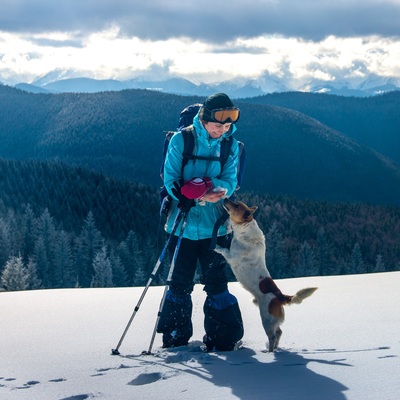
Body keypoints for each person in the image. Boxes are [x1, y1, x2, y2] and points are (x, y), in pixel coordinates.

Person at [157, 93, 244, 352]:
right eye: (218, 125)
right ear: (204, 119)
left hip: (215, 227)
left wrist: (213, 188)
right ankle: (175, 338)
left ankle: (223, 339)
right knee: (180, 283)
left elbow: (231, 180)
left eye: (227, 126)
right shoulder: (180, 140)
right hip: (181, 225)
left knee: (216, 282)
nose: (222, 130)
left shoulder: (230, 145)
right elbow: (170, 179)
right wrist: (194, 193)